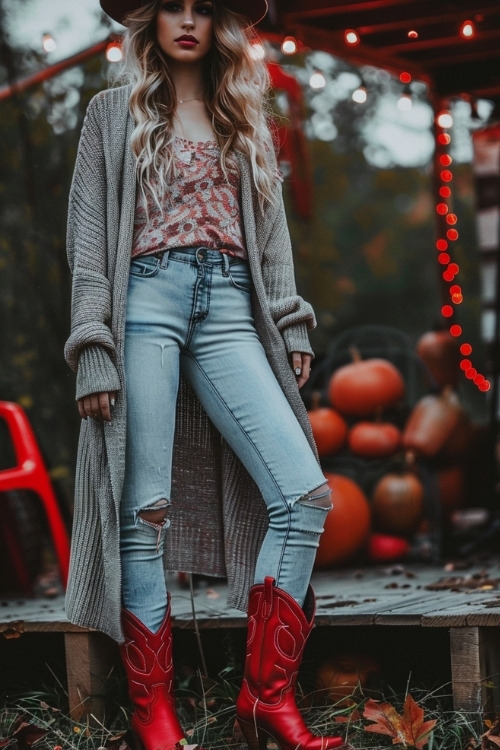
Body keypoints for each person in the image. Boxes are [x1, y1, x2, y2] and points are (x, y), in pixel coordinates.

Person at [65, 1, 344, 749]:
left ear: (220, 22)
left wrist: (288, 322)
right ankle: (155, 713)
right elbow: (89, 238)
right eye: (172, 7)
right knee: (144, 512)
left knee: (304, 494)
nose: (187, 20)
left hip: (229, 309)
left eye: (202, 8)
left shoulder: (242, 116)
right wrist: (92, 343)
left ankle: (266, 697)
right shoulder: (109, 111)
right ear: (150, 19)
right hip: (143, 302)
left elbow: (273, 234)